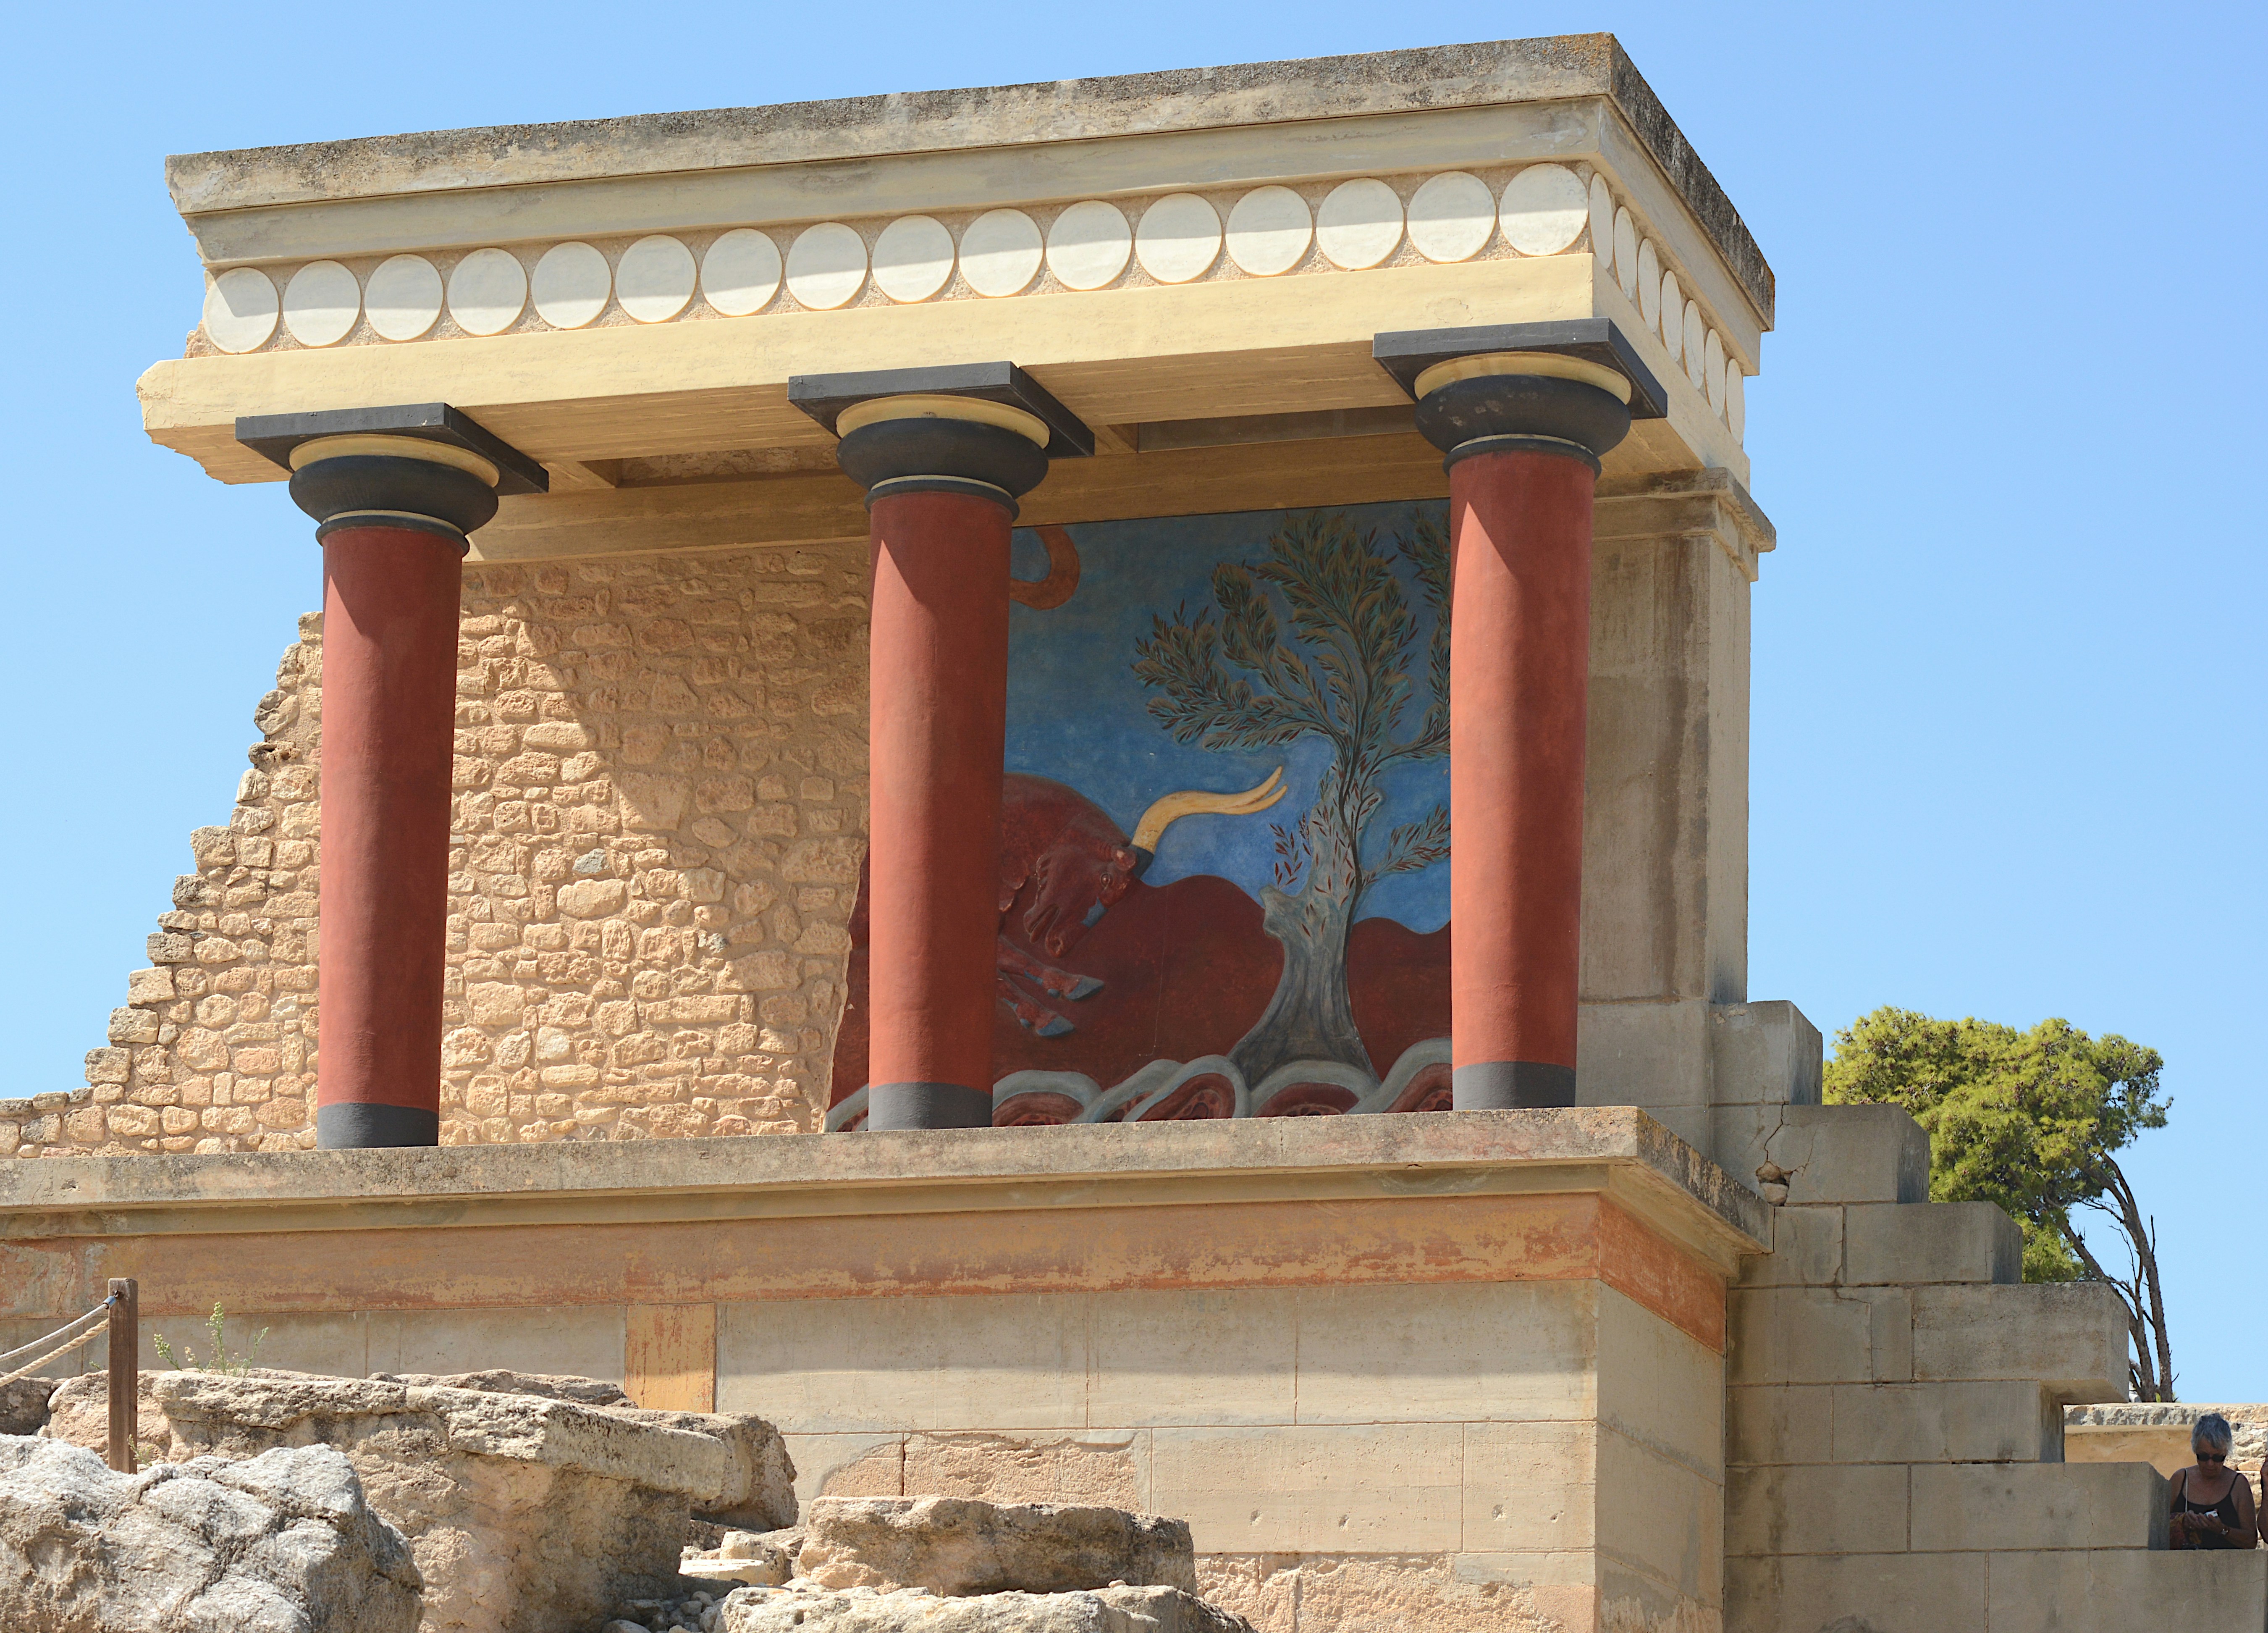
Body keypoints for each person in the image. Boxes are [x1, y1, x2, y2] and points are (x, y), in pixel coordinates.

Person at [2169, 1413, 2257, 1549]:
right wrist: (2183, 1521)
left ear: (2226, 1454)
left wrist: (2222, 1530)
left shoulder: (2239, 1485)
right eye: (2204, 1456)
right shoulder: (2180, 1480)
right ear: (2195, 1451)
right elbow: (2156, 1526)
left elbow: (2251, 1541)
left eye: (2217, 1458)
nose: (2210, 1464)